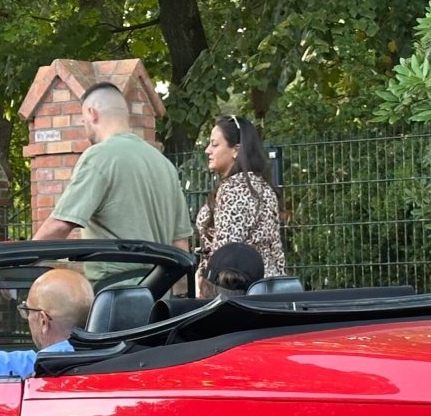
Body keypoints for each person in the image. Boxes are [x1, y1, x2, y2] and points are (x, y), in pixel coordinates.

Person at [33, 82, 191, 251]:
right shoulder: (165, 165)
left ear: (92, 114)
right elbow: (180, 243)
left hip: (115, 269)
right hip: (162, 269)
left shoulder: (99, 157)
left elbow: (60, 226)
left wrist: (21, 260)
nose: (84, 127)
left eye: (83, 120)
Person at [194, 114, 286, 278]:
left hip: (239, 287)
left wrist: (207, 280)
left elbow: (226, 255)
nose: (207, 150)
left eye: (214, 144)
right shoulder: (260, 185)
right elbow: (276, 251)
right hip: (265, 282)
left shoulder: (235, 189)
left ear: (236, 150)